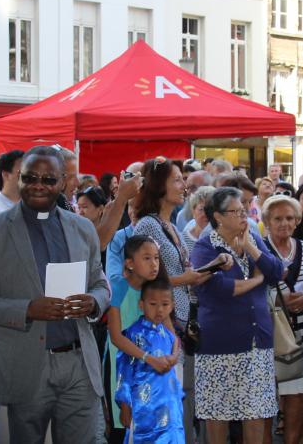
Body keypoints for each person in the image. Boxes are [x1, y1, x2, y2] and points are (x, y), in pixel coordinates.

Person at [0, 146, 111, 443]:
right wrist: (27, 309)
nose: (38, 186)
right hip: (26, 363)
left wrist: (93, 301)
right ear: (18, 178)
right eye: (29, 178)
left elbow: (101, 284)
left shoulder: (82, 228)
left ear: (64, 181)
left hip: (78, 363)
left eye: (47, 179)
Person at [189, 187, 283, 444]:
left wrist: (252, 249)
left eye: (244, 210)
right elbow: (216, 288)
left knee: (255, 412)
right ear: (218, 217)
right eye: (236, 211)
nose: (244, 215)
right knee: (217, 414)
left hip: (256, 341)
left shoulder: (252, 236)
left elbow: (276, 272)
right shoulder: (205, 247)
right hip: (219, 344)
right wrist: (256, 281)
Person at [128, 158, 211, 440]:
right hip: (161, 327)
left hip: (178, 324)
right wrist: (184, 280)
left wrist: (198, 275)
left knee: (179, 402)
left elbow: (173, 272)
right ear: (158, 186)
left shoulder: (171, 225)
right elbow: (141, 279)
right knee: (163, 406)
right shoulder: (148, 226)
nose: (183, 185)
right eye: (176, 180)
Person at [110, 238, 185, 442]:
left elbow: (171, 334)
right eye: (147, 258)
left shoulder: (156, 289)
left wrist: (173, 355)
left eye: (156, 258)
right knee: (126, 426)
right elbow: (116, 337)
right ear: (129, 263)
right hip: (124, 368)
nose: (154, 264)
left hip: (157, 373)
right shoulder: (118, 287)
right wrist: (149, 358)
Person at [260, 194, 303, 444]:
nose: (284, 223)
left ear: (297, 221)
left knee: (297, 399)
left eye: (290, 218)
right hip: (266, 340)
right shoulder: (257, 248)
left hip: (301, 339)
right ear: (267, 221)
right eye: (278, 218)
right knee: (263, 406)